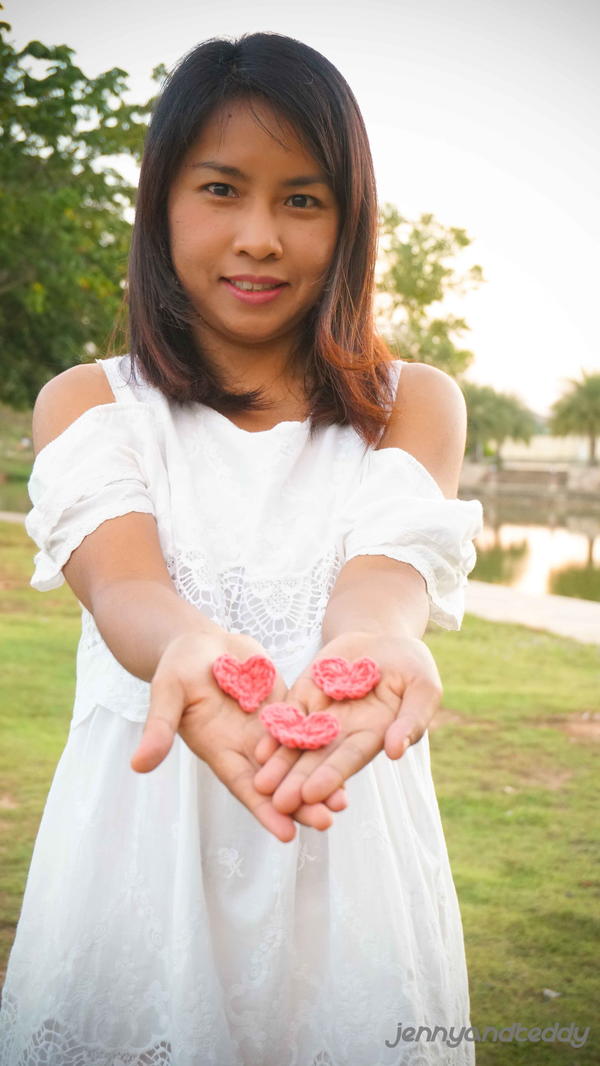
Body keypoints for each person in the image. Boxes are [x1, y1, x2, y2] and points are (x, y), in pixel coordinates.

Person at [0, 31, 484, 1066]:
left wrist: (378, 644)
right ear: (162, 202)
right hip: (138, 855)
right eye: (221, 188)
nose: (259, 235)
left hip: (349, 843)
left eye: (302, 200)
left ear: (349, 221)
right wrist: (187, 648)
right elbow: (124, 582)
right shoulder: (89, 403)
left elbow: (382, 581)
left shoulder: (416, 404)